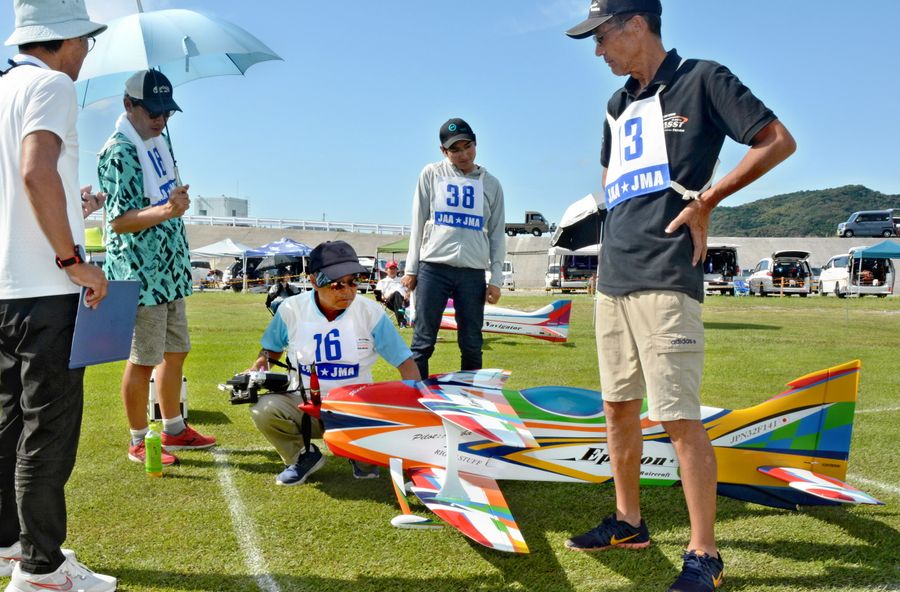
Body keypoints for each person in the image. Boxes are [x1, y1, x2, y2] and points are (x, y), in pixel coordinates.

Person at [564, 2, 796, 591]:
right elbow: (614, 185)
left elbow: (776, 141)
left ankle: (705, 555)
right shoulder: (617, 104)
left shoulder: (703, 78)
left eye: (601, 36)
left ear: (636, 24)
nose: (597, 50)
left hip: (667, 275)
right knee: (617, 407)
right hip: (612, 277)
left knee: (676, 416)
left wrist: (708, 199)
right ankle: (627, 522)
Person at [0, 1, 119, 590]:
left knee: (7, 425)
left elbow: (24, 185)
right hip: (44, 289)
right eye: (86, 43)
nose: (87, 53)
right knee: (47, 430)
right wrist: (75, 260)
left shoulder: (4, 87)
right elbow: (33, 171)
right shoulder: (51, 85)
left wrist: (74, 206)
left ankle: (6, 545)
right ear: (65, 39)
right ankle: (42, 568)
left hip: (3, 287)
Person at [98, 69, 216, 468]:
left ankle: (174, 427)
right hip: (141, 274)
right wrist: (167, 209)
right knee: (144, 357)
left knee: (176, 350)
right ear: (128, 105)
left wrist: (172, 206)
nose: (161, 119)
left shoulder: (158, 143)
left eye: (167, 112)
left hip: (170, 268)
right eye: (153, 111)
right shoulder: (119, 151)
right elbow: (118, 220)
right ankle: (137, 439)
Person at [246, 241, 420, 486]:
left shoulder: (371, 312)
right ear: (314, 280)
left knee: (369, 465)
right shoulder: (291, 309)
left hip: (356, 407)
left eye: (353, 282)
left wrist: (416, 405)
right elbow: (271, 350)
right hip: (305, 404)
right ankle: (301, 457)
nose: (347, 291)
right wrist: (258, 368)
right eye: (337, 284)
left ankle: (359, 453)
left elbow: (404, 361)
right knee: (263, 409)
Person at [402, 118, 506, 378]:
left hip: (472, 273)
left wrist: (496, 279)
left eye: (467, 146)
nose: (463, 154)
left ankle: (473, 400)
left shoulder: (491, 184)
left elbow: (496, 235)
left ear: (476, 142)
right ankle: (416, 400)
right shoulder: (431, 174)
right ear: (443, 151)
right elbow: (418, 222)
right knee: (422, 343)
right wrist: (411, 269)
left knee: (471, 343)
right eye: (455, 149)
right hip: (433, 269)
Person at [375, 260, 409, 327]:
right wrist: (383, 297)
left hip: (404, 302)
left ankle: (402, 322)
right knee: (396, 294)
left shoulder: (402, 280)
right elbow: (378, 296)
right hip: (389, 301)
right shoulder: (382, 282)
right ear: (386, 270)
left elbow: (408, 291)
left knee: (398, 295)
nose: (393, 270)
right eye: (390, 268)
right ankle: (402, 321)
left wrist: (407, 294)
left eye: (394, 268)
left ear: (397, 270)